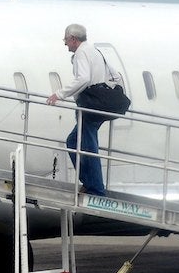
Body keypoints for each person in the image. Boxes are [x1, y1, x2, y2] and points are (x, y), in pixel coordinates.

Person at [46, 22, 122, 196]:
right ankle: (89, 182)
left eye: (66, 40)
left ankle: (95, 188)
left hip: (90, 106)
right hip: (98, 104)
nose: (65, 44)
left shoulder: (81, 53)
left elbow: (83, 79)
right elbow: (115, 75)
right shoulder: (94, 51)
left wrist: (59, 94)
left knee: (87, 146)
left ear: (73, 39)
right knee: (74, 142)